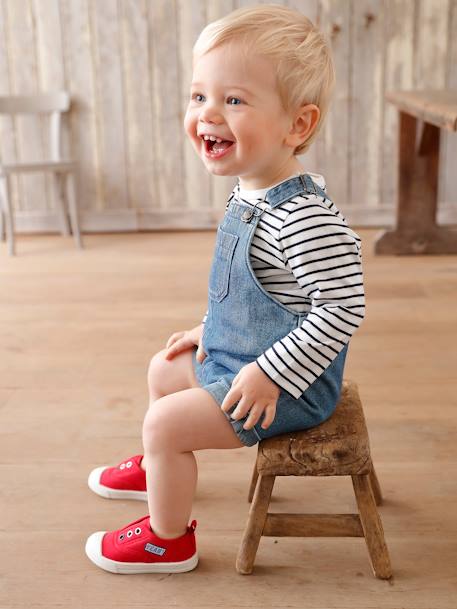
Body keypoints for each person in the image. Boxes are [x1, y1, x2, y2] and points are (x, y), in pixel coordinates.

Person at [85, 3, 365, 574]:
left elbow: (341, 308)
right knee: (164, 369)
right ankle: (161, 467)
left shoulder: (304, 218)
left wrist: (269, 374)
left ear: (298, 124)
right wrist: (209, 329)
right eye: (199, 97)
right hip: (243, 356)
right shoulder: (250, 190)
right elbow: (254, 294)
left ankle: (168, 542)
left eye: (233, 100)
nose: (209, 114)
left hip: (286, 386)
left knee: (164, 422)